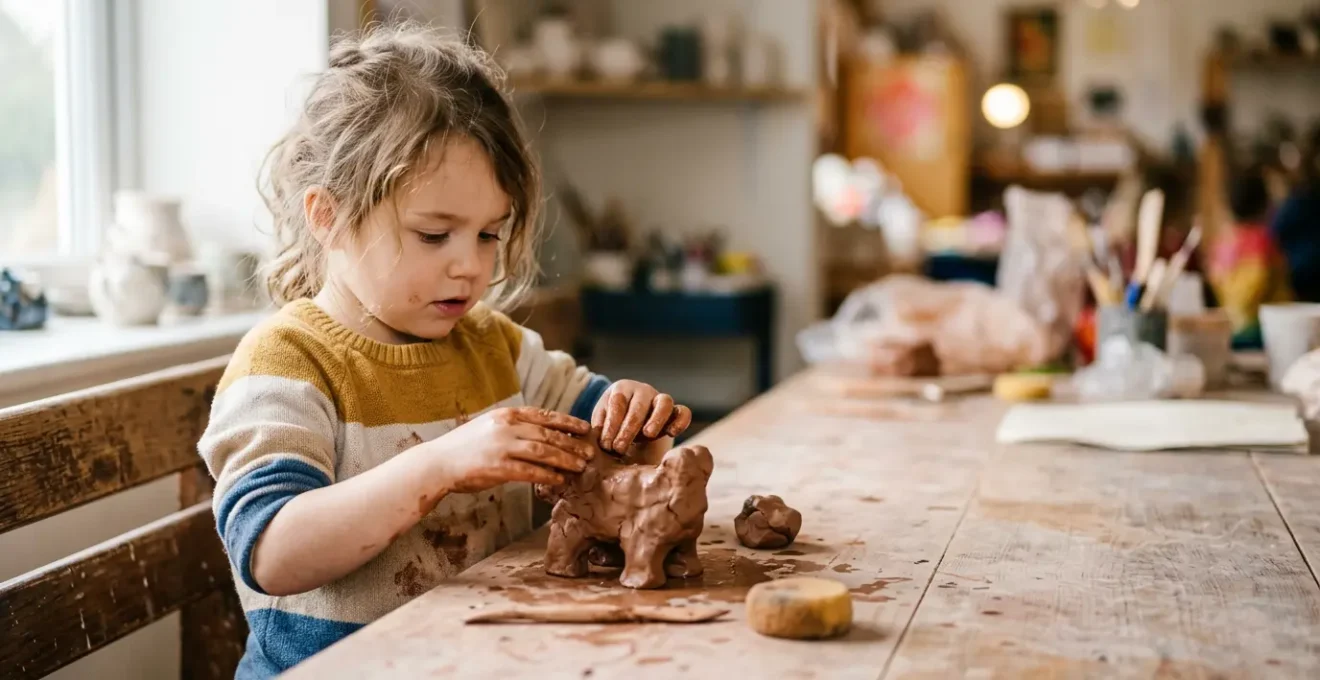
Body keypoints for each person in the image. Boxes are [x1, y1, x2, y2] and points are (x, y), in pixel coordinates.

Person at [199, 24, 693, 678]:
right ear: (329, 217)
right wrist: (442, 466)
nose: (470, 267)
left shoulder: (495, 348)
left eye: (490, 234)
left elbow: (615, 440)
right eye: (434, 235)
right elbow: (272, 553)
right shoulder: (287, 363)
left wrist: (636, 418)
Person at [1207, 164, 1293, 348]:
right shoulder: (1263, 242)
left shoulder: (1222, 243)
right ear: (1264, 205)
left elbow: (1216, 281)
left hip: (1232, 329)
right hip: (1265, 332)